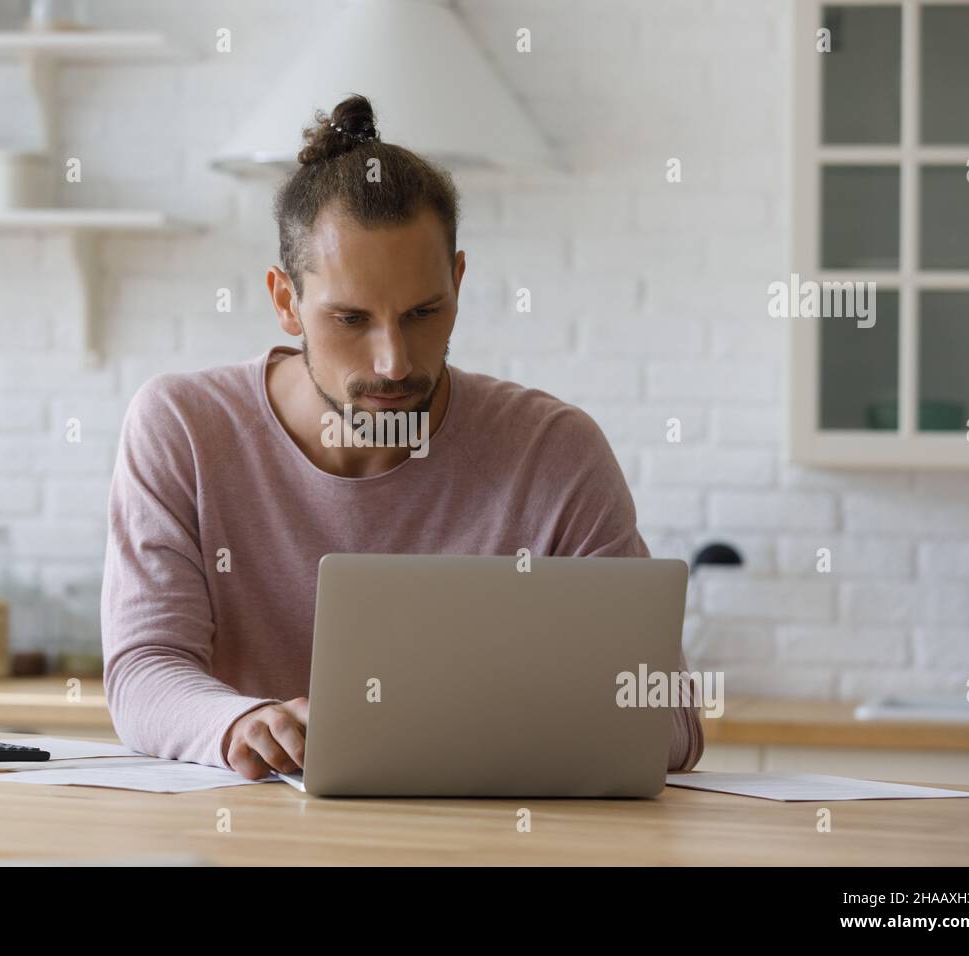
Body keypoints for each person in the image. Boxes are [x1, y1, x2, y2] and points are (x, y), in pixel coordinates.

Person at [101, 93, 704, 781]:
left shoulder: (552, 451)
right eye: (351, 319)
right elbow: (144, 671)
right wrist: (237, 722)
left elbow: (670, 721)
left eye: (423, 313)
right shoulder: (183, 428)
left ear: (459, 282)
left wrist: (442, 728)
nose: (394, 362)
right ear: (284, 302)